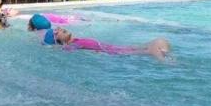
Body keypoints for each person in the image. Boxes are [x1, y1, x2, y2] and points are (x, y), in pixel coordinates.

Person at [41, 26, 172, 62]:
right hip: (116, 53)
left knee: (160, 41)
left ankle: (164, 56)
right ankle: (166, 60)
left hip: (118, 48)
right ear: (58, 40)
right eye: (55, 32)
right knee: (156, 47)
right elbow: (63, 50)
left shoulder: (75, 41)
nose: (58, 28)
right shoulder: (70, 46)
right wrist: (52, 47)